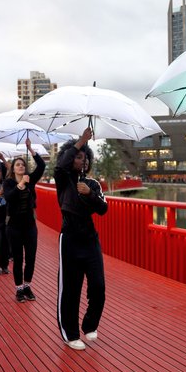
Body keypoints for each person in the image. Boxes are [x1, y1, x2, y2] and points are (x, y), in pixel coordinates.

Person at [54, 128, 108, 351]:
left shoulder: (92, 184)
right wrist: (81, 141)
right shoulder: (62, 179)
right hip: (69, 240)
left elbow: (103, 209)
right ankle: (70, 334)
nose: (81, 160)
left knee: (98, 286)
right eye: (77, 156)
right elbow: (60, 165)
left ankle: (89, 325)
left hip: (90, 239)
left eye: (84, 157)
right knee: (70, 289)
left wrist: (89, 194)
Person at [2, 139, 45, 302]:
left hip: (30, 226)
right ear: (13, 168)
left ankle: (27, 286)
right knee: (18, 259)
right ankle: (19, 289)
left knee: (31, 257)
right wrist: (20, 184)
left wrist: (31, 149)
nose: (20, 166)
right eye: (17, 165)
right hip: (14, 226)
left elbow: (41, 166)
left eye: (22, 164)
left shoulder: (30, 180)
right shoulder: (9, 183)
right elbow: (9, 197)